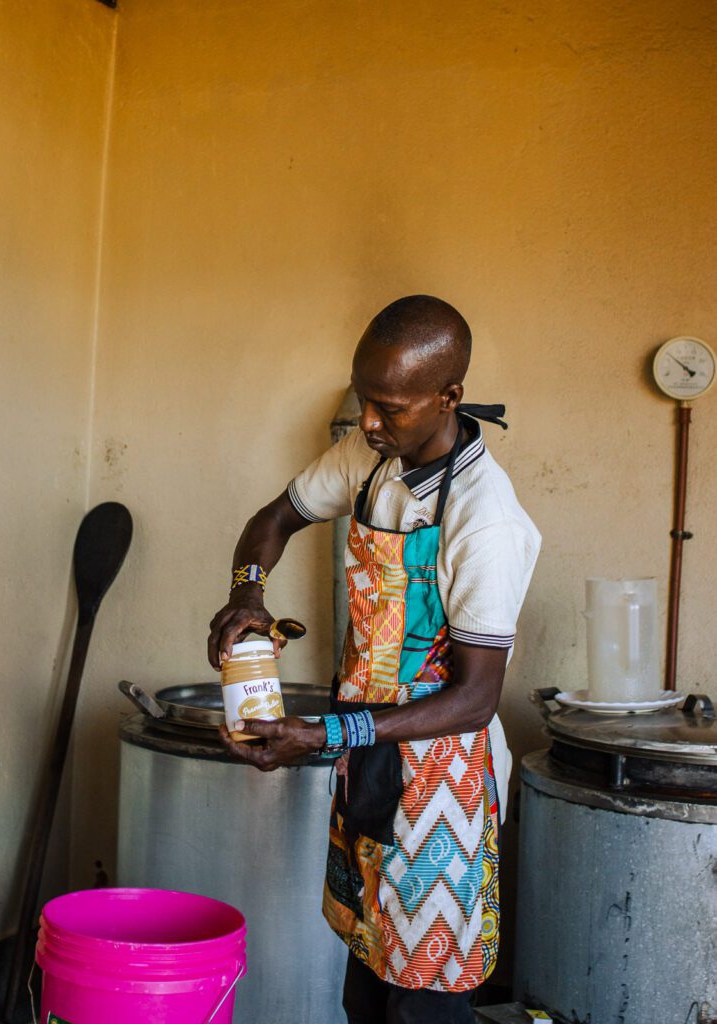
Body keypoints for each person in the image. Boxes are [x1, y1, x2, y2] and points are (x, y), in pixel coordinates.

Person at [207, 295, 541, 1024]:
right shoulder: (369, 458)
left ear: (447, 397)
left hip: (442, 784)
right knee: (365, 973)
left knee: (418, 996)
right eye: (364, 401)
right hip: (371, 757)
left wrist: (322, 735)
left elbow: (475, 698)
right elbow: (273, 520)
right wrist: (247, 596)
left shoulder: (484, 520)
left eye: (387, 407)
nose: (367, 422)